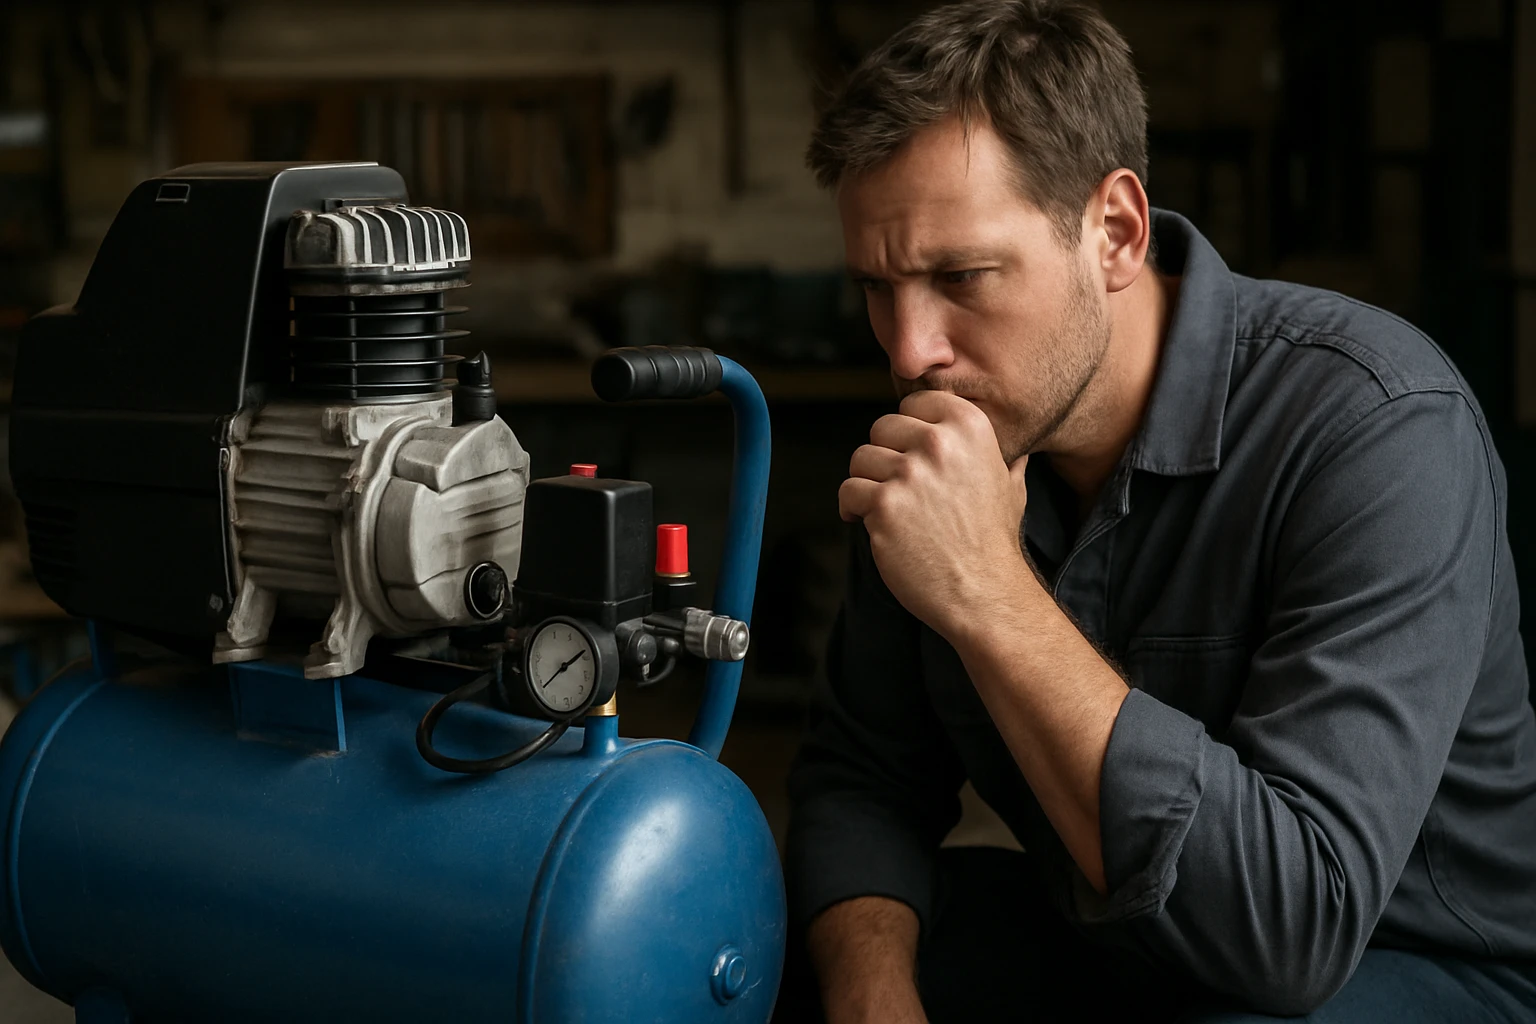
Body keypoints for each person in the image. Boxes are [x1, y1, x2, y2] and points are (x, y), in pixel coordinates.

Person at [780, 2, 1536, 1022]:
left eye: (960, 276)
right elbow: (864, 778)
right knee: (747, 956)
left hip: (1397, 963)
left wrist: (990, 594)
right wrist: (874, 999)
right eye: (878, 286)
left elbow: (1292, 929)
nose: (910, 350)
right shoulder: (953, 434)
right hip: (1110, 942)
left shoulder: (1381, 425)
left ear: (1117, 233)